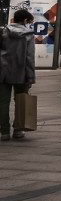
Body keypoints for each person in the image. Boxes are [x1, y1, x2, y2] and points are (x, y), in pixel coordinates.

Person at [1, 9, 37, 141]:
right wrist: (31, 77)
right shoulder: (28, 35)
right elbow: (29, 58)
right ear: (25, 21)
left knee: (3, 103)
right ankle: (18, 130)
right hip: (21, 73)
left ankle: (4, 132)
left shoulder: (3, 31)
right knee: (20, 101)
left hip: (3, 72)